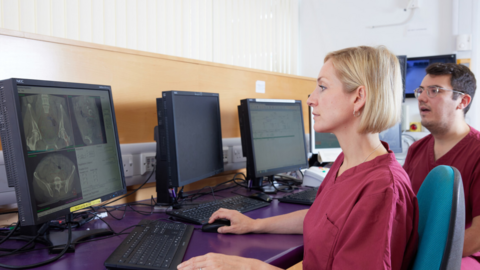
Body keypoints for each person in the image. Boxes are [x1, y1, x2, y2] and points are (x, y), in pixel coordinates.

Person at [177, 46, 419, 270]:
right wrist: (254, 225)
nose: (310, 99)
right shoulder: (348, 162)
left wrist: (249, 266)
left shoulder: (382, 189)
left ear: (358, 97)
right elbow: (324, 218)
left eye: (322, 87)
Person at [402, 63, 480, 269]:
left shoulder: (477, 152)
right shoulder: (415, 150)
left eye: (434, 91)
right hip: (414, 253)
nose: (421, 98)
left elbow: (478, 235)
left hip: (460, 257)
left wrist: (424, 255)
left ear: (462, 101)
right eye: (420, 90)